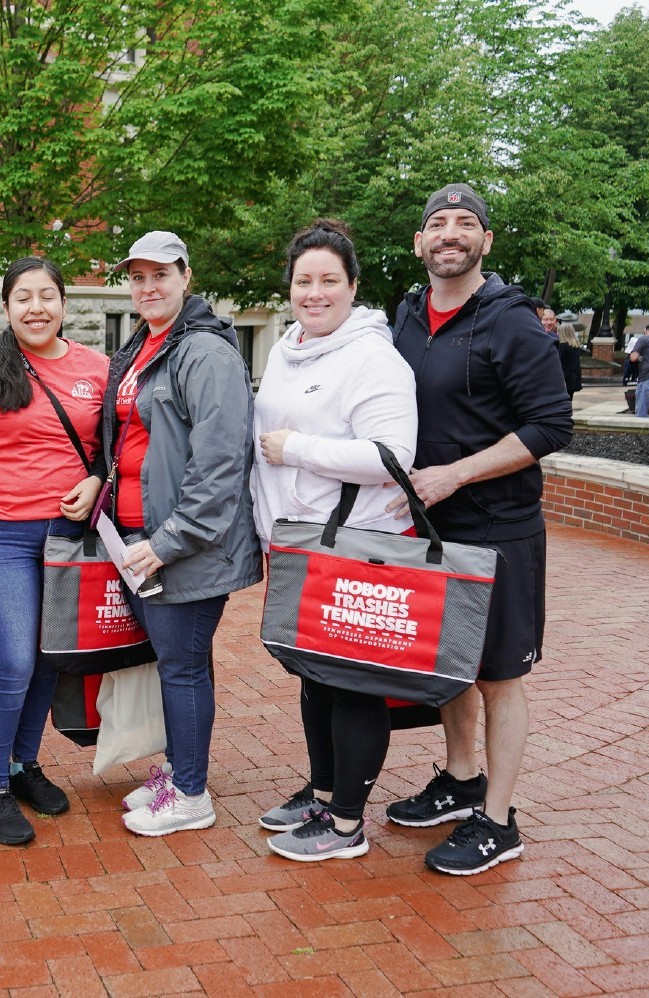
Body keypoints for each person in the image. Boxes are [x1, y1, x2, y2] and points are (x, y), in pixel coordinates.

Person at [386, 183, 572, 876]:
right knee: (452, 667)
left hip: (499, 527)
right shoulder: (405, 314)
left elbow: (550, 426)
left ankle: (498, 820)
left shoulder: (512, 321)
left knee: (498, 676)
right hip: (430, 528)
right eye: (437, 224)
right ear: (419, 242)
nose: (450, 234)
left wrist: (458, 473)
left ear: (486, 242)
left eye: (466, 224)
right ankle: (461, 782)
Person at [251, 220, 417, 862]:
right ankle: (323, 791)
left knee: (352, 683)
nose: (314, 293)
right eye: (303, 281)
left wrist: (298, 450)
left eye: (328, 281)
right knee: (315, 676)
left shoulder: (373, 357)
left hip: (358, 544)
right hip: (301, 545)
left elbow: (392, 455)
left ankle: (347, 822)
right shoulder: (288, 348)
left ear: (352, 286)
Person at [99, 231, 260, 837]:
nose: (148, 287)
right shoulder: (144, 345)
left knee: (183, 666)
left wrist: (166, 544)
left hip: (180, 545)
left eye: (160, 275)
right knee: (177, 662)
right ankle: (180, 768)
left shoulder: (206, 352)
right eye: (137, 277)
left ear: (186, 277)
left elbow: (219, 463)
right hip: (142, 533)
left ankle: (192, 794)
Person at [0, 257, 108, 846]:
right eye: (22, 298)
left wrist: (96, 480)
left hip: (67, 539)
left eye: (47, 296)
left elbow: (109, 450)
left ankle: (21, 763)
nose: (35, 308)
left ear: (64, 304)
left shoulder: (96, 367)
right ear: (7, 307)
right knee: (13, 661)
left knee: (48, 657)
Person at [556, 322, 584, 399]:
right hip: (574, 378)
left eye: (559, 331)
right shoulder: (576, 346)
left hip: (565, 378)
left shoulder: (562, 346)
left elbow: (559, 363)